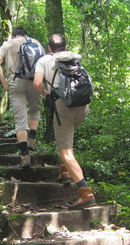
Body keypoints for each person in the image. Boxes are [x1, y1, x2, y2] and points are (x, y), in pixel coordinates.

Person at [33, 33, 96, 210]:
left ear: (49, 48)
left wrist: (45, 94)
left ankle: (86, 193)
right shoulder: (74, 59)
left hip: (64, 106)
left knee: (65, 152)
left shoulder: (44, 60)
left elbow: (38, 83)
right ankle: (65, 172)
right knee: (66, 139)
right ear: (65, 48)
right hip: (83, 105)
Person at [0, 27, 44, 168]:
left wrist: (4, 83)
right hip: (34, 81)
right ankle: (32, 137)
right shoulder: (36, 42)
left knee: (20, 117)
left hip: (15, 81)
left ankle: (24, 155)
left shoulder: (8, 44)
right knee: (35, 109)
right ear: (26, 35)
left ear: (13, 35)